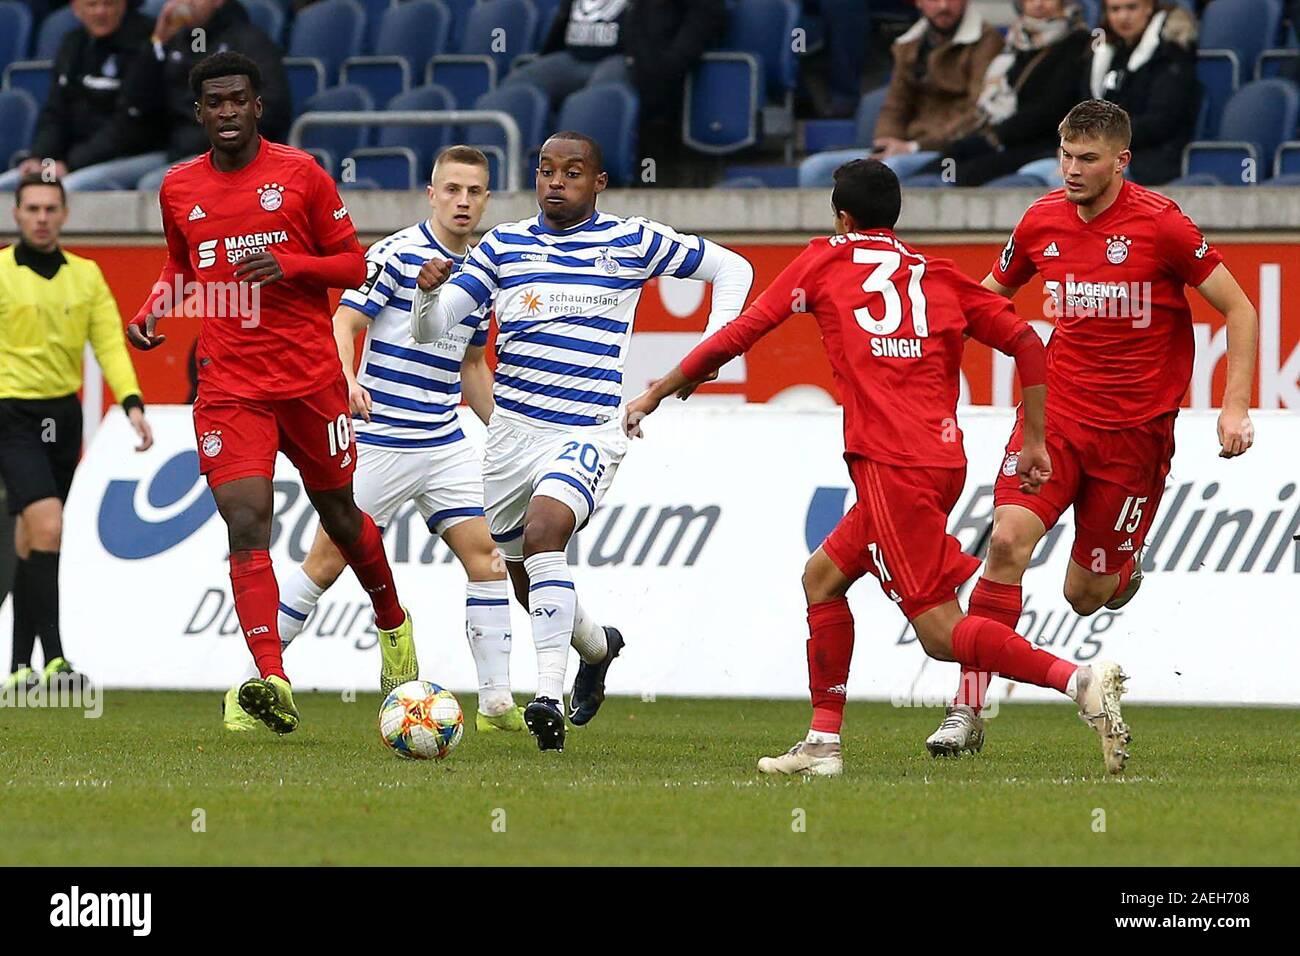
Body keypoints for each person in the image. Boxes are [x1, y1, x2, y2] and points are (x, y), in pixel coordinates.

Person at [624, 158, 1134, 778]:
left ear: (840, 214)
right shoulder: (937, 273)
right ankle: (822, 743)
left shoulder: (824, 259)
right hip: (940, 460)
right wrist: (1033, 439)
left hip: (893, 468)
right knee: (822, 578)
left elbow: (741, 334)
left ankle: (1077, 681)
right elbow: (1029, 343)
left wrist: (658, 389)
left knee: (942, 635)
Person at [924, 99, 1257, 756]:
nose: (1071, 170)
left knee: (1085, 596)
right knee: (1007, 542)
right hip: (1056, 419)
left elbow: (1239, 308)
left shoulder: (1162, 227)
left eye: (1087, 159)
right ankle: (967, 707)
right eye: (1065, 155)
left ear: (1121, 161)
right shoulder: (1042, 218)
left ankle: (1120, 567)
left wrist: (1234, 406)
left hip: (1135, 437)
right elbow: (989, 296)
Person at [407, 131, 754, 752]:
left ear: (597, 182)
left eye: (572, 172)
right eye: (545, 170)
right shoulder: (502, 248)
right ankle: (597, 647)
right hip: (511, 437)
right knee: (522, 577)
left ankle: (545, 697)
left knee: (545, 535)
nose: (555, 181)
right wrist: (428, 291)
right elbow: (431, 329)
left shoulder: (631, 240)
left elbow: (735, 267)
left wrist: (710, 352)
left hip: (589, 430)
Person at [126, 52, 414, 736]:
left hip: (310, 383)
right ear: (199, 113)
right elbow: (180, 260)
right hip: (229, 385)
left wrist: (292, 264)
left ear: (258, 107)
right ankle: (271, 676)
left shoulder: (300, 175)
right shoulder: (178, 187)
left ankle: (393, 624)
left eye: (238, 100)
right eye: (214, 102)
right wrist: (154, 309)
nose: (227, 111)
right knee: (245, 520)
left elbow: (353, 263)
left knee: (340, 515)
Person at [221, 145, 528, 734]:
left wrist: (507, 432)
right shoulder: (395, 254)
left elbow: (472, 367)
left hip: (443, 443)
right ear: (431, 193)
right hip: (380, 439)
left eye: (475, 192)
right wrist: (344, 383)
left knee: (488, 559)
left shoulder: (485, 273)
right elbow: (344, 322)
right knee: (324, 564)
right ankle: (251, 688)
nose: (463, 201)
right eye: (452, 190)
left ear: (486, 199)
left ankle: (494, 704)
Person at [1, 173, 154, 692]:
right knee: (47, 528)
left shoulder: (86, 275)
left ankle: (21, 664)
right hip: (11, 415)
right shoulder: (0, 271)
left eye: (50, 208)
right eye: (32, 208)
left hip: (61, 419)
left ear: (64, 215)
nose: (41, 217)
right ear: (17, 214)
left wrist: (131, 401)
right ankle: (58, 658)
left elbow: (109, 342)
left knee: (32, 538)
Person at [75, 0, 291, 191]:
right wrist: (157, 43)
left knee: (153, 185)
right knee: (79, 185)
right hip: (171, 152)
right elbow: (136, 104)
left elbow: (273, 105)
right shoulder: (173, 42)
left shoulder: (248, 41)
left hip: (225, 152)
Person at [798, 0, 1003, 186]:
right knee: (814, 169)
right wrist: (885, 141)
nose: (943, 6)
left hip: (951, 151)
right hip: (906, 146)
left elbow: (978, 112)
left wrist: (914, 147)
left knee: (888, 171)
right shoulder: (909, 44)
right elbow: (895, 105)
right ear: (919, 3)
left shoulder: (987, 42)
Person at [912, 0, 1093, 186]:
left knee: (960, 176)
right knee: (932, 167)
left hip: (1041, 144)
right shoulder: (1017, 41)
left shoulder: (1079, 43)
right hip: (999, 136)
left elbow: (1053, 107)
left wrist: (999, 135)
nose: (1038, 4)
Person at [0, 0, 155, 194]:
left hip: (129, 154)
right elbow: (55, 112)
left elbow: (128, 125)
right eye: (91, 5)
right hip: (71, 158)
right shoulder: (72, 44)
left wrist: (70, 164)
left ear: (123, 5)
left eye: (109, 4)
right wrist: (41, 158)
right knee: (8, 187)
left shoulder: (146, 43)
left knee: (64, 190)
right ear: (76, 9)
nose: (100, 12)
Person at [1083, 0, 1199, 186]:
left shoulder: (1170, 54)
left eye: (1131, 7)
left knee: (1068, 180)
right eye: (1115, 9)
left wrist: (1099, 141)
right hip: (1106, 152)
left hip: (1152, 159)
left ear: (1149, 8)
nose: (1123, 17)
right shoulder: (1109, 54)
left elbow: (1161, 121)